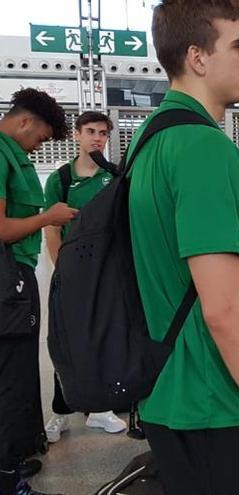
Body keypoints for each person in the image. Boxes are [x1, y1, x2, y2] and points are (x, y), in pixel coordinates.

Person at [128, 1, 239, 494]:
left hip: (167, 388)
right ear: (197, 58)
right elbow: (225, 310)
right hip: (211, 398)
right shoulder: (203, 148)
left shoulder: (150, 135)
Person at [0, 88, 76, 495]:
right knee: (10, 378)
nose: (39, 146)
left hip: (18, 276)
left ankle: (12, 459)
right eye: (41, 138)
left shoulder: (14, 156)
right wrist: (49, 217)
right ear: (25, 121)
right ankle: (7, 479)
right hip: (5, 278)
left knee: (23, 372)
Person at [43, 111, 127, 444]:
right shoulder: (60, 179)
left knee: (105, 336)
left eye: (103, 133)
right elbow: (52, 226)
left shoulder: (114, 176)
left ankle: (101, 408)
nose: (97, 138)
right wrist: (62, 268)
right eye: (91, 131)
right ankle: (61, 410)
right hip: (74, 272)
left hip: (110, 273)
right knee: (66, 340)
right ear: (77, 134)